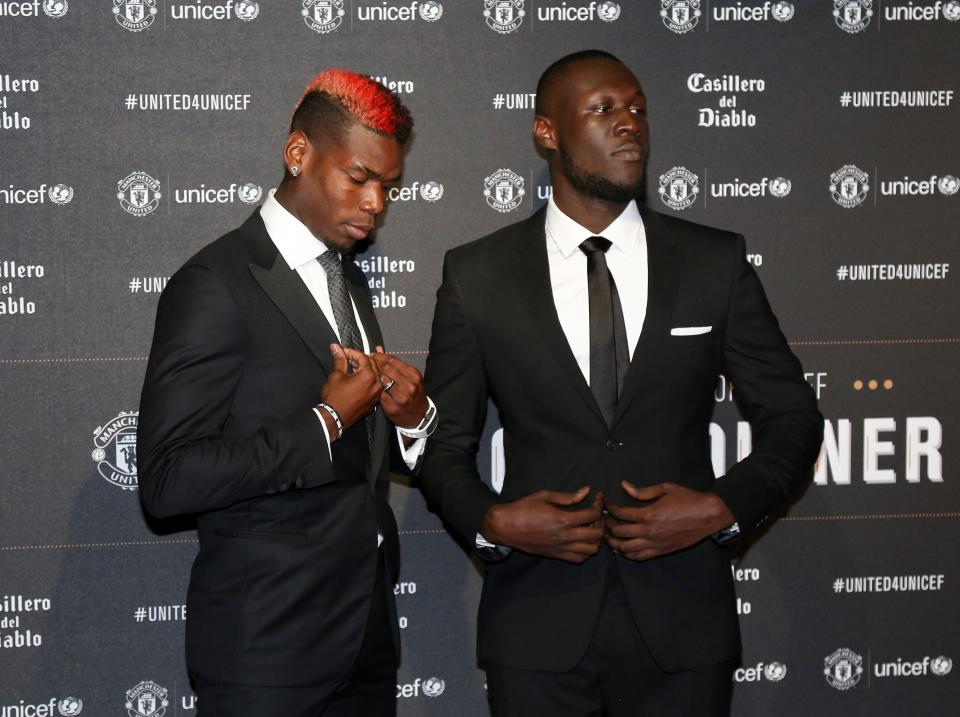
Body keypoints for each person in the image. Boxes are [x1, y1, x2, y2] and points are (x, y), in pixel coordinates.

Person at [419, 50, 823, 716]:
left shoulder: (713, 262)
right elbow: (442, 443)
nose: (629, 124)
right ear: (547, 132)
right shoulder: (478, 274)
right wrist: (492, 519)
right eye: (603, 110)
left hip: (684, 625)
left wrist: (720, 507)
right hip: (537, 624)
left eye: (637, 107)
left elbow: (794, 419)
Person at [137, 69, 436, 717]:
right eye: (359, 178)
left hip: (364, 647)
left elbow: (357, 467)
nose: (375, 203)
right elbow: (166, 479)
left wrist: (411, 421)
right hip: (266, 657)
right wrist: (327, 419)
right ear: (298, 153)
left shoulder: (344, 278)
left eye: (388, 186)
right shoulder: (216, 284)